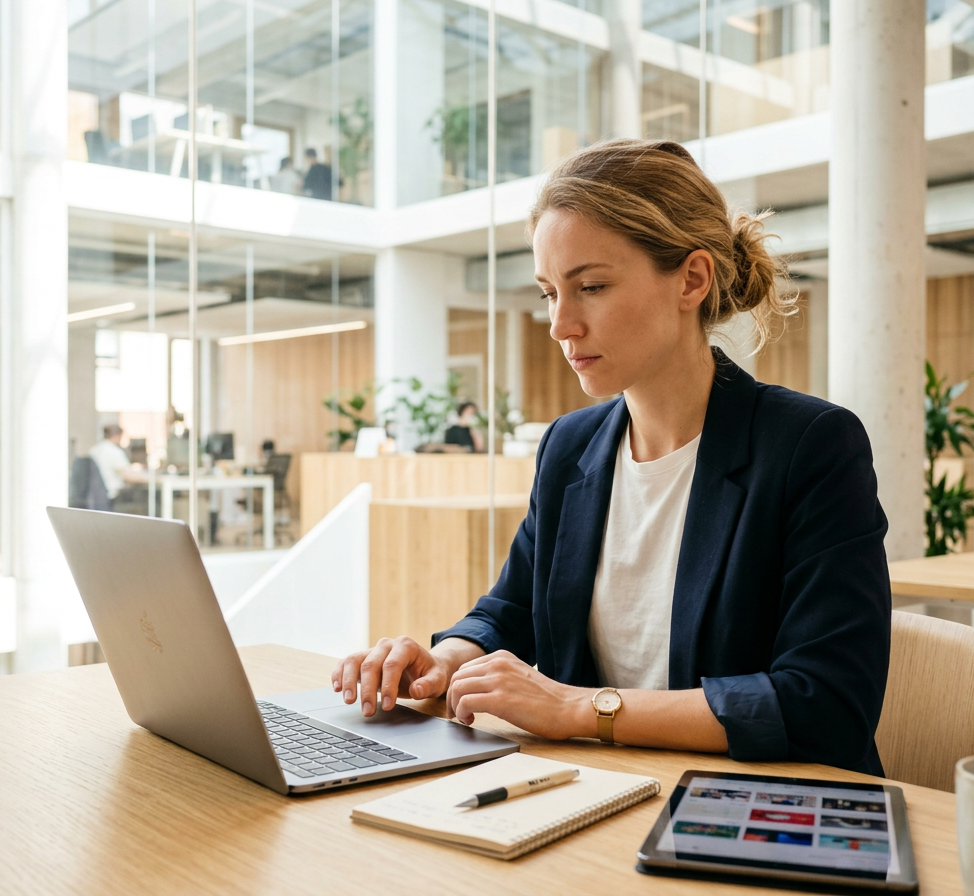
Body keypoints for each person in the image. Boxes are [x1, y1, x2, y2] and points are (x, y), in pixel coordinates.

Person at [331, 139, 892, 775]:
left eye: (591, 286)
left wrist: (579, 709)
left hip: (755, 812)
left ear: (692, 278)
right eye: (549, 293)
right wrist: (446, 661)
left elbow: (825, 703)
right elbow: (512, 608)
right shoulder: (570, 446)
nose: (560, 324)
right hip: (600, 795)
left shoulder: (810, 446)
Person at [89, 425, 136, 501]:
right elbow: (128, 476)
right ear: (118, 436)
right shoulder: (114, 451)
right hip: (113, 495)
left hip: (95, 494)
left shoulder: (93, 450)